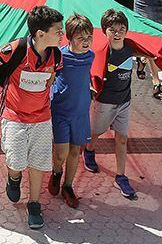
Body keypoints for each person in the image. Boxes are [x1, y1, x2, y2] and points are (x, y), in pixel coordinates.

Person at [0, 5, 64, 230]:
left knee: (39, 161)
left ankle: (34, 204)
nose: (62, 34)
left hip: (41, 117)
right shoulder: (16, 49)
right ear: (41, 33)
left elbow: (52, 74)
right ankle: (14, 177)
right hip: (15, 116)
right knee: (16, 160)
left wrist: (48, 81)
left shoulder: (55, 54)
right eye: (58, 30)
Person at [81, 10, 139, 200]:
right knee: (95, 133)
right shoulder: (101, 53)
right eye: (112, 30)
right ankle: (89, 150)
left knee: (122, 139)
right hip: (104, 102)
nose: (117, 33)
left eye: (122, 29)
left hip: (125, 102)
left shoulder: (131, 48)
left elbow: (154, 54)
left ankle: (121, 176)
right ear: (104, 31)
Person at [48, 13, 94, 209]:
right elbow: (49, 76)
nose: (86, 42)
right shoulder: (59, 55)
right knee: (61, 152)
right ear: (70, 38)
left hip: (81, 111)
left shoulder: (91, 56)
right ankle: (56, 171)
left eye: (89, 37)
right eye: (80, 38)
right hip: (61, 110)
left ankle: (68, 186)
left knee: (75, 151)